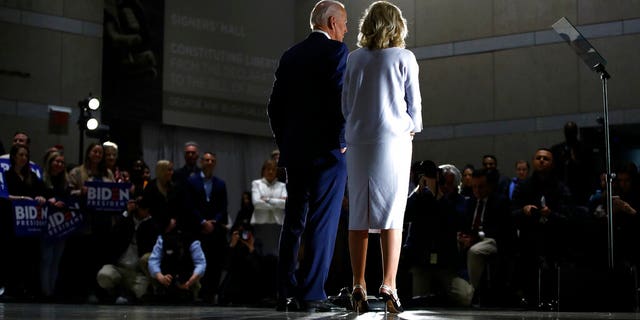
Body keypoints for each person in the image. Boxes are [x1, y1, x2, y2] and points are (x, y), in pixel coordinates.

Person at [267, 0, 349, 312]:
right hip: (327, 151)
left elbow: (274, 106)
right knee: (323, 220)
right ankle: (312, 292)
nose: (345, 30)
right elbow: (340, 97)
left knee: (294, 221)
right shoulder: (336, 52)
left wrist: (286, 142)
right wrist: (342, 140)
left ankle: (285, 292)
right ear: (331, 22)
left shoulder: (291, 55)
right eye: (343, 23)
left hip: (296, 152)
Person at [341, 1, 422, 314]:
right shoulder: (404, 57)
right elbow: (413, 103)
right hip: (394, 140)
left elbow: (346, 103)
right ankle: (389, 283)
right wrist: (412, 127)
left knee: (359, 210)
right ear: (396, 25)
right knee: (392, 212)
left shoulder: (354, 58)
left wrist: (356, 127)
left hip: (359, 141)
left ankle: (358, 282)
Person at [1, 144, 47, 298]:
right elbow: (4, 195)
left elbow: (42, 193)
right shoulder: (6, 175)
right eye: (21, 155)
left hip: (29, 224)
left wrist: (41, 198)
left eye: (26, 156)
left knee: (30, 256)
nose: (24, 158)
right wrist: (21, 198)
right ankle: (11, 289)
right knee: (13, 256)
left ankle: (29, 289)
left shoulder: (32, 177)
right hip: (12, 222)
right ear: (14, 157)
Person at [95, 197, 158, 304]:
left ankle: (128, 295)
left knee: (141, 291)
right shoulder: (125, 219)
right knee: (104, 276)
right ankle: (114, 293)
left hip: (136, 271)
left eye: (147, 209)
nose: (146, 212)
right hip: (118, 266)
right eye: (143, 209)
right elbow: (114, 234)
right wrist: (127, 213)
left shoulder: (151, 224)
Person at [185, 151, 229, 302]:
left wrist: (213, 221)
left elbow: (223, 208)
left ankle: (212, 292)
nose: (209, 163)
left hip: (215, 230)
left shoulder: (220, 184)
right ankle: (198, 291)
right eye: (206, 160)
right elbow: (189, 206)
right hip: (197, 228)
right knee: (198, 260)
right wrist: (202, 222)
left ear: (215, 164)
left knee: (215, 262)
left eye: (212, 161)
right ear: (201, 162)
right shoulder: (192, 181)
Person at [40, 150, 70, 299]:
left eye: (61, 162)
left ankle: (52, 291)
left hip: (61, 227)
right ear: (50, 162)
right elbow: (37, 197)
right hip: (46, 227)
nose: (59, 164)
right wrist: (48, 200)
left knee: (56, 260)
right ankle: (45, 292)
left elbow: (69, 200)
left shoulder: (65, 182)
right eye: (56, 161)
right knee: (47, 259)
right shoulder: (42, 179)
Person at [147, 230, 206, 303]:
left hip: (188, 276)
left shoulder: (193, 242)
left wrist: (191, 280)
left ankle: (193, 293)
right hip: (166, 274)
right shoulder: (163, 239)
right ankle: (158, 290)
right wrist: (161, 277)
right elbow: (153, 260)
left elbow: (200, 263)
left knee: (194, 287)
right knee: (145, 259)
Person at [250, 159, 287, 257]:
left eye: (273, 169)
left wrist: (268, 200)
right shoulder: (256, 183)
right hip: (261, 223)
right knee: (260, 254)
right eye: (268, 169)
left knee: (277, 254)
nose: (271, 172)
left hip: (278, 224)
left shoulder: (282, 186)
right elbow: (256, 203)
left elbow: (285, 204)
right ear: (263, 170)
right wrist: (277, 200)